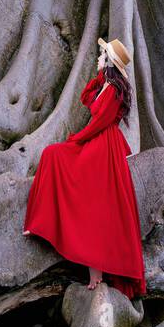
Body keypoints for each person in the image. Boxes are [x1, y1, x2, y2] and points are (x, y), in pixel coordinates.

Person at [22, 37, 146, 298]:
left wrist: (76, 139)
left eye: (102, 56)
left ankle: (94, 268)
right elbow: (87, 99)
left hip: (102, 146)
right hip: (98, 143)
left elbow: (99, 121)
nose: (98, 58)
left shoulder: (112, 90)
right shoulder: (107, 86)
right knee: (55, 158)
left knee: (60, 161)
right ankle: (42, 224)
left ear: (110, 62)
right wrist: (100, 79)